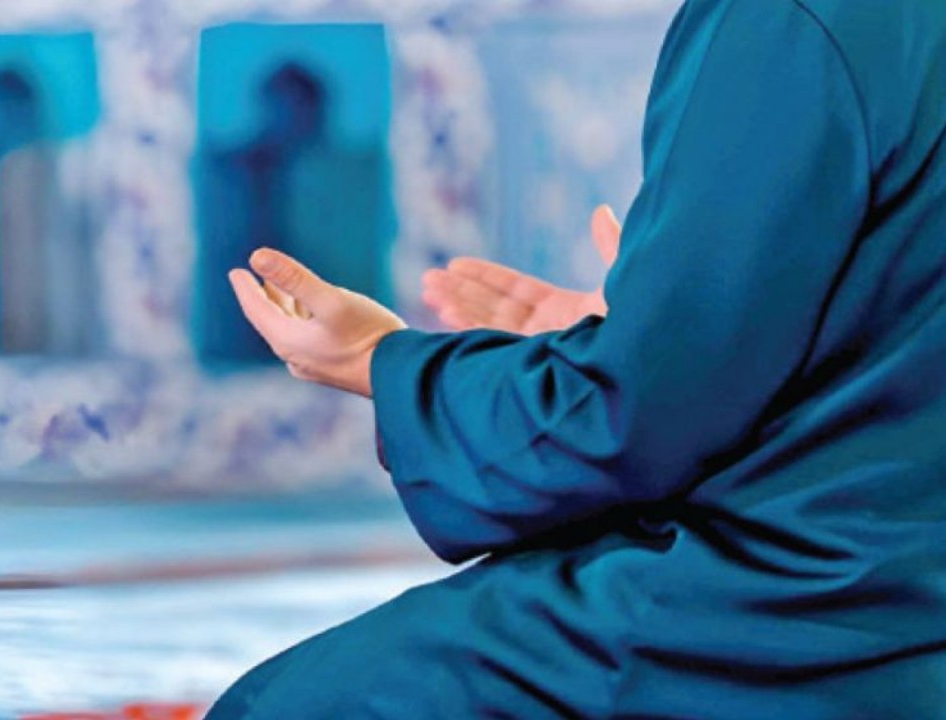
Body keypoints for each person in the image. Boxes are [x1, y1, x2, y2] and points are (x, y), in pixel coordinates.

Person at [209, 0, 946, 717]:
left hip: (808, 610)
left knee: (292, 704)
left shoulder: (784, 23)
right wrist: (638, 321)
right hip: (915, 587)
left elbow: (632, 418)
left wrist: (384, 363)